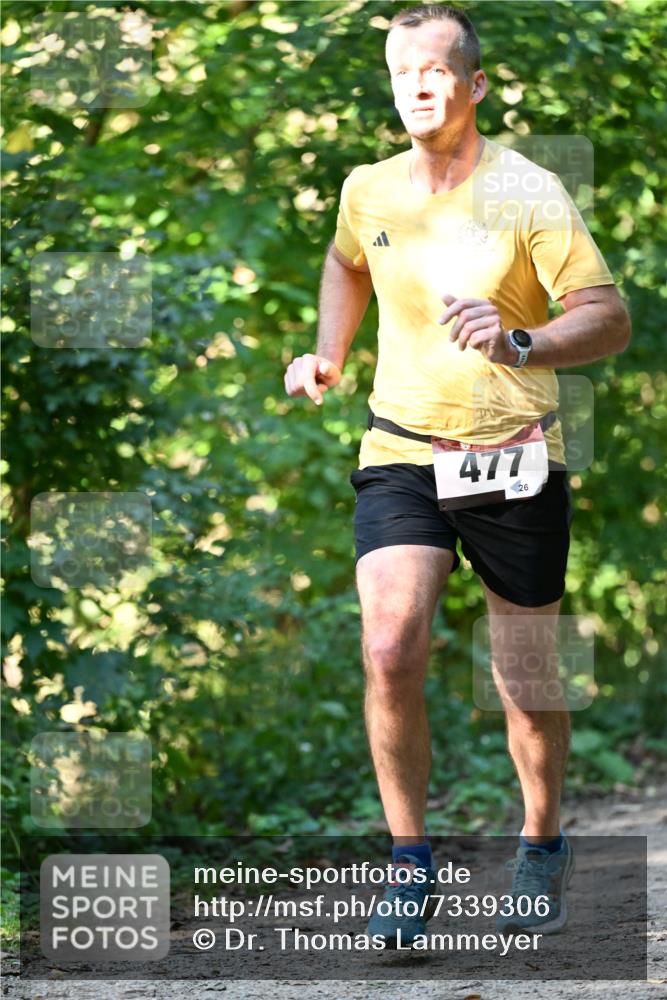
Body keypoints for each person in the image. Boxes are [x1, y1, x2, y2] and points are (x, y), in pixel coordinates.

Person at [284, 3, 630, 948]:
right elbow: (344, 263)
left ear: (473, 84)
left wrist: (523, 338)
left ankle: (541, 841)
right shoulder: (369, 187)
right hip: (400, 446)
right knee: (391, 645)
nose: (417, 87)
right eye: (402, 74)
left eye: (435, 70)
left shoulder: (529, 194)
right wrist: (328, 354)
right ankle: (408, 868)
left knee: (523, 681)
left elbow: (607, 316)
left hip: (514, 455)